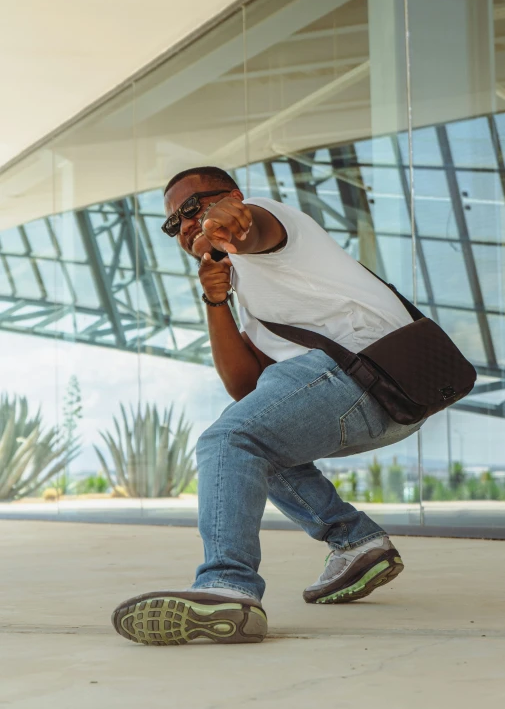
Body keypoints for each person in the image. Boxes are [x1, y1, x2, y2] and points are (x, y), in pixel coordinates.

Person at [112, 166, 423, 647]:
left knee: (228, 439)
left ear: (234, 195)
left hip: (363, 373)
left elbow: (248, 225)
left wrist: (223, 223)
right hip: (382, 397)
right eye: (175, 223)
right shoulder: (253, 291)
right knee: (255, 440)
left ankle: (226, 584)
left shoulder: (274, 224)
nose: (187, 223)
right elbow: (246, 387)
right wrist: (216, 300)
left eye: (194, 207)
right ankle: (357, 542)